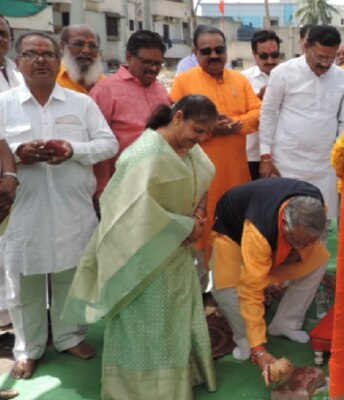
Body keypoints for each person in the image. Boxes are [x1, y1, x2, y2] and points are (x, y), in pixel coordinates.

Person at [63, 95, 218, 399]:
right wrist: (186, 227)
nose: (200, 139)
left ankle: (179, 380)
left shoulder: (188, 148)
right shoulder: (145, 153)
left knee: (176, 318)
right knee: (147, 322)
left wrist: (198, 216)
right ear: (178, 117)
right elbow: (128, 211)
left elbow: (203, 179)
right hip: (143, 257)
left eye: (206, 133)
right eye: (197, 130)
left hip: (176, 252)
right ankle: (137, 388)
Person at [1, 31, 118, 379]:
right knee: (24, 283)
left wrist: (72, 150)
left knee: (71, 276)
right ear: (18, 61)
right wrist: (17, 158)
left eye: (47, 54)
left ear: (58, 60)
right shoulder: (3, 105)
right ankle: (28, 349)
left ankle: (69, 337)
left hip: (72, 209)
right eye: (31, 53)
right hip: (24, 211)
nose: (40, 59)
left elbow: (108, 144)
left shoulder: (81, 103)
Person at [258, 25, 344, 343]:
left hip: (324, 170)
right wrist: (265, 155)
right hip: (287, 166)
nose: (325, 64)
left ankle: (289, 319)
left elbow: (343, 121)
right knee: (277, 239)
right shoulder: (283, 73)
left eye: (331, 58)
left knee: (317, 245)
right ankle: (258, 310)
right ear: (305, 45)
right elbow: (268, 114)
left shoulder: (342, 77)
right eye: (320, 56)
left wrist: (341, 159)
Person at [209, 178, 329, 378]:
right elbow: (252, 290)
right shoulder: (258, 232)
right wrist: (259, 350)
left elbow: (307, 242)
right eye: (297, 242)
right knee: (227, 287)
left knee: (317, 262)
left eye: (306, 243)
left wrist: (298, 250)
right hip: (232, 233)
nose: (300, 247)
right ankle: (245, 339)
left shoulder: (316, 205)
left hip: (272, 231)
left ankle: (285, 323)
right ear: (285, 225)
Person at [170, 25, 261, 282]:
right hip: (199, 181)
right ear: (195, 53)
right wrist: (211, 131)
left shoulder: (239, 80)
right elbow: (174, 125)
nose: (213, 55)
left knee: (235, 233)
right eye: (206, 51)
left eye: (218, 49)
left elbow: (257, 111)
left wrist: (236, 124)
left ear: (226, 51)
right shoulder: (184, 82)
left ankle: (234, 291)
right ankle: (200, 298)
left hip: (236, 178)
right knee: (199, 237)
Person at [90, 30, 170, 198]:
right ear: (128, 57)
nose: (154, 69)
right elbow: (97, 143)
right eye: (147, 62)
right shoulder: (105, 91)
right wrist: (101, 190)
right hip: (120, 187)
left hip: (157, 183)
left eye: (159, 63)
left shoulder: (161, 90)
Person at [0, 14, 21, 331]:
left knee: (10, 250)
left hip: (14, 176)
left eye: (3, 33)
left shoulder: (17, 73)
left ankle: (9, 321)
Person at [241, 30, 282, 181]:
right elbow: (237, 113)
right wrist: (258, 99)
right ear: (254, 54)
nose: (270, 60)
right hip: (252, 154)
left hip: (282, 154)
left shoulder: (289, 77)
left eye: (275, 55)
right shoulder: (242, 79)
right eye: (264, 56)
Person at [57, 25, 104, 93]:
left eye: (92, 46)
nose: (86, 51)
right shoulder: (51, 81)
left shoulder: (107, 83)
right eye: (79, 44)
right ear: (62, 46)